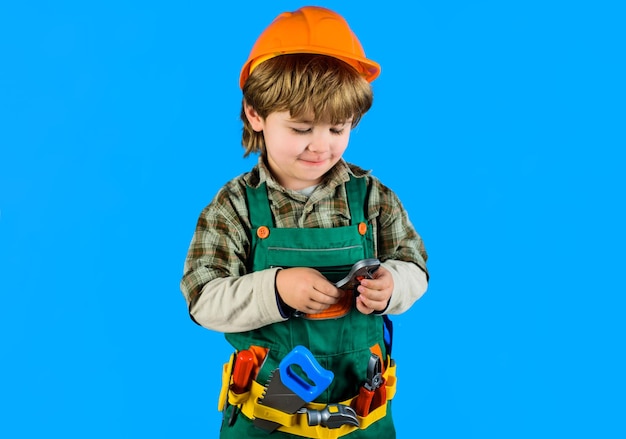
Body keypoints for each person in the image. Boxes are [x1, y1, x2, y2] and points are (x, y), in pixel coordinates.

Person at [180, 6, 429, 438]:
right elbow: (202, 299)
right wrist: (275, 289)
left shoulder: (374, 198)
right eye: (301, 128)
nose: (320, 145)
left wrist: (393, 285)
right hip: (267, 418)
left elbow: (414, 267)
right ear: (256, 115)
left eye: (337, 129)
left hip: (361, 418)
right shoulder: (233, 206)